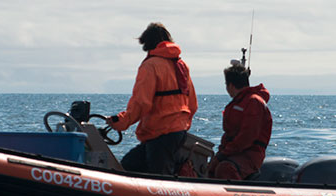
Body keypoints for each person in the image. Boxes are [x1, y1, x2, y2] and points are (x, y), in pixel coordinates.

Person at [106, 22, 198, 175]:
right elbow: (192, 104)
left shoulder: (150, 66)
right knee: (130, 164)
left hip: (161, 133)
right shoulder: (181, 66)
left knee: (158, 177)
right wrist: (182, 125)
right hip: (178, 133)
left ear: (147, 43)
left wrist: (121, 122)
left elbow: (141, 103)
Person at [208, 64, 272, 180]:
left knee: (225, 169)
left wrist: (223, 154)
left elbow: (247, 137)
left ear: (230, 85)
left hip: (250, 154)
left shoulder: (253, 102)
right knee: (210, 170)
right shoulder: (238, 103)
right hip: (233, 152)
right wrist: (220, 155)